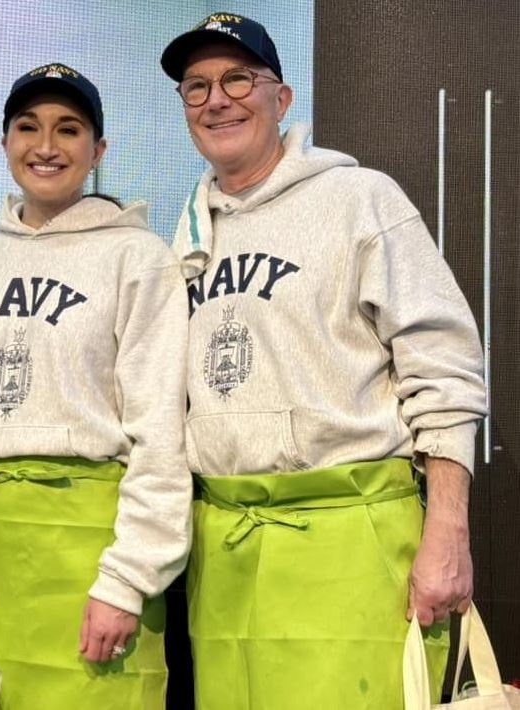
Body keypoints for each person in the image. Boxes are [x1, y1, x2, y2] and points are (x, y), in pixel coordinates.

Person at [160, 13, 487, 710]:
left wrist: (447, 532)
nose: (217, 99)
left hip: (351, 541)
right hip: (223, 552)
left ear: (281, 99)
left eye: (237, 79)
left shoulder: (359, 199)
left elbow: (444, 366)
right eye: (197, 87)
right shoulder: (184, 236)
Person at [0, 63, 192, 709]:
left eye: (68, 129)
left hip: (93, 558)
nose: (46, 145)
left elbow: (161, 429)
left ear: (97, 150)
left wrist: (127, 578)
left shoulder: (139, 259)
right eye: (27, 127)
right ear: (3, 144)